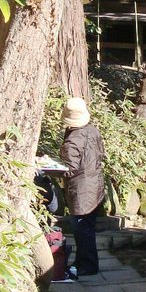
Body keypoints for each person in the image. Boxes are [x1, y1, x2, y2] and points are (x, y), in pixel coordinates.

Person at [59, 96, 105, 277]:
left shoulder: (73, 140)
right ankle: (83, 261)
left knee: (82, 228)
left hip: (81, 188)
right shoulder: (93, 131)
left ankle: (87, 265)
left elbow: (70, 169)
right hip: (95, 183)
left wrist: (52, 169)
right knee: (87, 226)